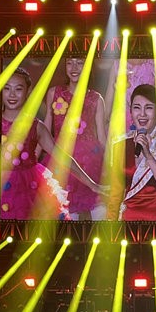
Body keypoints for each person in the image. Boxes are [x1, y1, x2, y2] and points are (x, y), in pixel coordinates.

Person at [1, 68, 101, 220]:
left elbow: (62, 157)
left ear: (28, 91)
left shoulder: (36, 126)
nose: (12, 94)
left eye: (18, 89)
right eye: (7, 88)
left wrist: (92, 184)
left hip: (31, 188)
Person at [43, 56, 108, 220]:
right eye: (70, 63)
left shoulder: (96, 98)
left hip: (90, 164)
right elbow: (44, 130)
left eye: (80, 63)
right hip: (61, 160)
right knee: (63, 213)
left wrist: (110, 168)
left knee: (97, 212)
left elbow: (102, 138)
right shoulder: (54, 93)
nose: (74, 67)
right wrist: (32, 158)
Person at [119, 84, 156, 220]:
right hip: (130, 219)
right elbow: (117, 191)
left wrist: (148, 155)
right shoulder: (121, 144)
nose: (142, 114)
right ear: (130, 111)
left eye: (149, 108)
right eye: (137, 107)